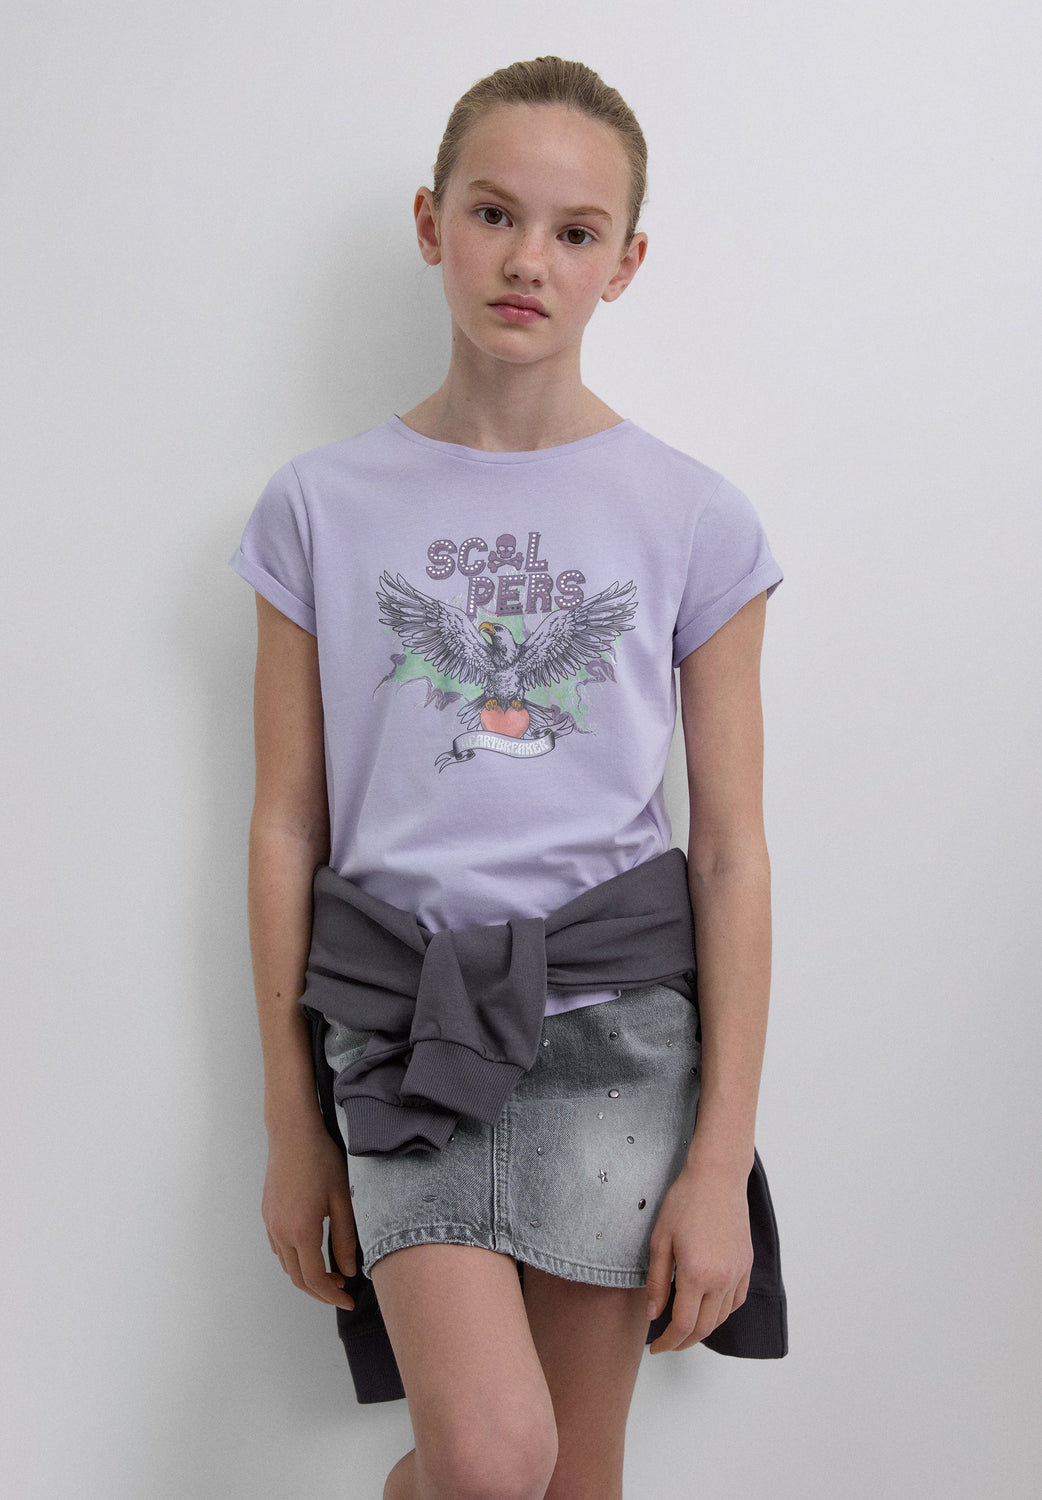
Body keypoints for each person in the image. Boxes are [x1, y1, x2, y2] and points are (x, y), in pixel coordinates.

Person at [230, 55, 784, 1500]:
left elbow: (730, 851)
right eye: (493, 213)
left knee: (572, 1483)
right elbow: (286, 822)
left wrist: (719, 1158)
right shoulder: (317, 508)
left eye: (575, 230)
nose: (529, 259)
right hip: (399, 1030)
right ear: (432, 224)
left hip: (618, 1031)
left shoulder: (694, 517)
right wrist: (290, 1121)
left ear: (625, 262)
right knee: (488, 1461)